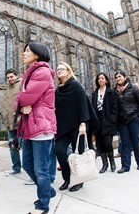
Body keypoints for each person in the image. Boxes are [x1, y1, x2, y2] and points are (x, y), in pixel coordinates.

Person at [16, 42, 57, 214]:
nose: (24, 54)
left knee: (41, 169)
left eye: (27, 51)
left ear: (37, 55)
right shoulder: (30, 73)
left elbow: (26, 97)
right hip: (31, 125)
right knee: (27, 164)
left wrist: (21, 103)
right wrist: (22, 106)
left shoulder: (42, 72)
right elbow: (25, 100)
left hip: (41, 125)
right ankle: (47, 190)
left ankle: (43, 205)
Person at [55, 62, 98, 192]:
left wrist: (83, 123)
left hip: (77, 125)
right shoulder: (58, 89)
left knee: (78, 154)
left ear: (68, 71)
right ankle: (67, 178)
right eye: (57, 69)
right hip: (63, 126)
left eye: (62, 69)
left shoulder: (76, 85)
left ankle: (79, 181)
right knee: (59, 151)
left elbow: (82, 104)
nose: (59, 71)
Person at [114, 70, 139, 173]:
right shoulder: (115, 91)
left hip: (134, 118)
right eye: (116, 77)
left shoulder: (134, 88)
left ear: (125, 77)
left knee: (136, 141)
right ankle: (125, 165)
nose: (118, 78)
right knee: (125, 143)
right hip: (122, 121)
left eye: (120, 76)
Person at [92, 72, 118, 173]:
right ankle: (104, 164)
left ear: (106, 80)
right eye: (99, 79)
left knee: (107, 143)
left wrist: (112, 119)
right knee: (100, 144)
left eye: (102, 78)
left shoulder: (111, 92)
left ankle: (112, 161)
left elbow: (115, 107)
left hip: (108, 121)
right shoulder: (95, 94)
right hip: (98, 121)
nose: (100, 80)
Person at [3, 68, 22, 176]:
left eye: (11, 77)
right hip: (10, 123)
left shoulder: (21, 85)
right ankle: (16, 168)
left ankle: (32, 170)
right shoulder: (7, 89)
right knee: (12, 147)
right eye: (8, 77)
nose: (10, 79)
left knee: (27, 148)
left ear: (16, 76)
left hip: (21, 123)